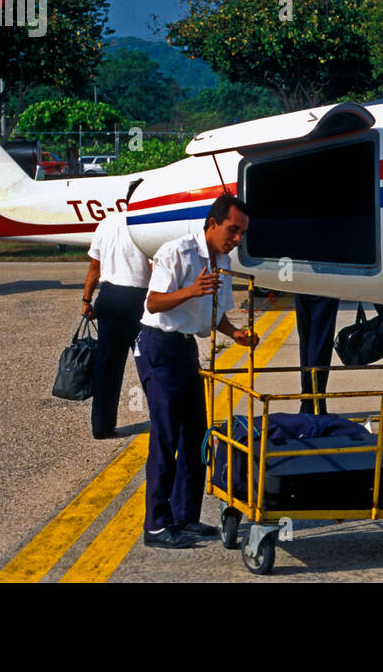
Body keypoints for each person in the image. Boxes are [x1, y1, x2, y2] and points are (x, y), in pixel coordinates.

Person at [135, 194, 259, 549]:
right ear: (214, 222)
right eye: (233, 230)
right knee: (166, 437)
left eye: (242, 233)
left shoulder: (221, 260)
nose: (236, 239)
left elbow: (214, 311)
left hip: (185, 348)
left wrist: (234, 333)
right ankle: (156, 525)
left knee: (196, 435)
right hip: (158, 345)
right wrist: (190, 291)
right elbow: (154, 301)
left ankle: (185, 516)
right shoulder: (177, 252)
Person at [81, 207, 150, 439]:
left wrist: (86, 300)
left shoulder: (106, 224)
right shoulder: (146, 225)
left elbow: (94, 267)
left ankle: (101, 427)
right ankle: (162, 419)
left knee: (107, 367)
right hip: (138, 301)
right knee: (149, 363)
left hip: (108, 299)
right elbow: (153, 267)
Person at [294, 293, 341, 415]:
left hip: (301, 284)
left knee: (307, 343)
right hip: (323, 286)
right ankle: (314, 406)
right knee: (320, 345)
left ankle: (309, 403)